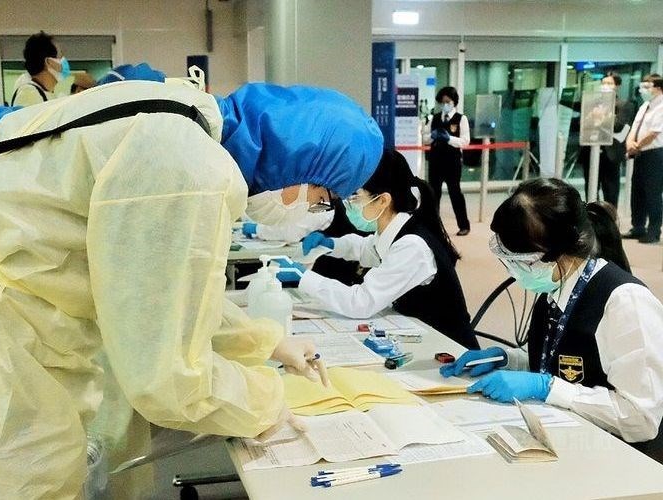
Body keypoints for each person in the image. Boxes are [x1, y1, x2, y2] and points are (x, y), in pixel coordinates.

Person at [0, 80, 383, 498]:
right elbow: (168, 382)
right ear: (293, 165)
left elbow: (155, 288)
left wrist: (267, 341)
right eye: (321, 197)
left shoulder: (173, 115)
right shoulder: (189, 168)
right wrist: (269, 398)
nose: (315, 211)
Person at [442, 178, 663, 463]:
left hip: (620, 458)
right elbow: (559, 356)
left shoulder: (625, 303)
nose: (515, 271)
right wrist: (509, 359)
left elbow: (640, 418)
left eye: (521, 262)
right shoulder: (556, 285)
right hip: (564, 440)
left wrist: (547, 387)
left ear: (556, 255)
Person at [276, 149, 479, 349]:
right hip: (423, 337)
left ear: (383, 199)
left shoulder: (412, 247)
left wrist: (303, 277)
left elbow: (360, 302)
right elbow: (367, 248)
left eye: (354, 197)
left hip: (450, 350)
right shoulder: (396, 229)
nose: (347, 205)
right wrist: (331, 244)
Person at [583, 73, 635, 208]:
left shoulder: (624, 105)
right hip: (591, 150)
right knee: (591, 189)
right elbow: (584, 122)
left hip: (611, 153)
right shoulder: (592, 103)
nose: (605, 86)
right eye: (604, 83)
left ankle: (611, 219)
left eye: (609, 83)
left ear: (617, 86)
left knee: (610, 190)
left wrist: (601, 116)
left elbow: (619, 125)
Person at [426, 86, 471, 236]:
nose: (445, 104)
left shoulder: (461, 119)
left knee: (455, 193)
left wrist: (449, 138)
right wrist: (432, 136)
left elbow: (465, 141)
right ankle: (433, 225)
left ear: (454, 102)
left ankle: (464, 225)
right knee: (434, 194)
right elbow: (425, 138)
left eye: (447, 101)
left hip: (452, 162)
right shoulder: (435, 118)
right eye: (442, 102)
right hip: (435, 161)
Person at [624, 74, 663, 243]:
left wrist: (637, 145)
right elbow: (634, 127)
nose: (643, 89)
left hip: (654, 154)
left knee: (652, 192)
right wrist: (630, 143)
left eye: (647, 86)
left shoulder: (661, 106)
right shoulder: (645, 106)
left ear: (658, 87)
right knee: (637, 191)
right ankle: (638, 226)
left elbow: (654, 133)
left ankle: (654, 231)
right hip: (640, 153)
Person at [11, 31, 68, 107]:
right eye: (60, 56)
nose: (64, 61)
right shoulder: (29, 94)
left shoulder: (47, 94)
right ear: (49, 62)